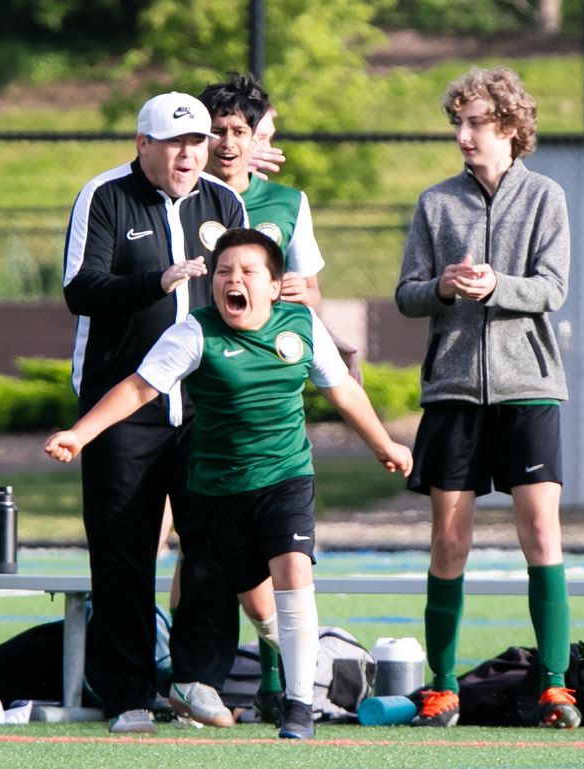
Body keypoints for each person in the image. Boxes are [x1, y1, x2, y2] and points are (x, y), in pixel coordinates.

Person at [47, 228, 412, 740]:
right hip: (218, 492)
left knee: (293, 576)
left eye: (246, 272)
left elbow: (344, 392)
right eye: (223, 272)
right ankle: (317, 660)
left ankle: (299, 707)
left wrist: (385, 446)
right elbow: (137, 388)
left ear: (274, 284)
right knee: (263, 610)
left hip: (286, 479)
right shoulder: (195, 333)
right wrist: (80, 433)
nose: (232, 281)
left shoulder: (301, 324)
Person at [393, 66, 578, 729]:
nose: (464, 136)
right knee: (448, 540)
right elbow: (407, 293)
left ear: (509, 127)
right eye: (458, 124)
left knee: (540, 531)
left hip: (529, 388)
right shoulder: (435, 203)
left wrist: (497, 283)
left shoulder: (546, 197)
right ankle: (441, 687)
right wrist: (442, 286)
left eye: (476, 123)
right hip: (451, 393)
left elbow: (552, 288)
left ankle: (556, 685)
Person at [61, 91, 247, 734]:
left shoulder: (225, 202)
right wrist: (157, 281)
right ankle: (130, 696)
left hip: (205, 406)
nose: (189, 153)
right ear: (142, 145)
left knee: (215, 543)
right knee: (122, 552)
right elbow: (79, 289)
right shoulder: (105, 196)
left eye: (197, 141)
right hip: (123, 406)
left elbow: (243, 288)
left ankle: (198, 681)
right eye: (174, 143)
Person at [193, 73, 328, 721]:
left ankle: (281, 680)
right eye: (213, 130)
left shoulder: (285, 203)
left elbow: (310, 296)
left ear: (257, 138)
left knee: (273, 565)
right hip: (191, 391)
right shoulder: (181, 196)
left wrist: (297, 300)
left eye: (237, 131)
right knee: (199, 552)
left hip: (261, 414)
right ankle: (187, 675)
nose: (223, 142)